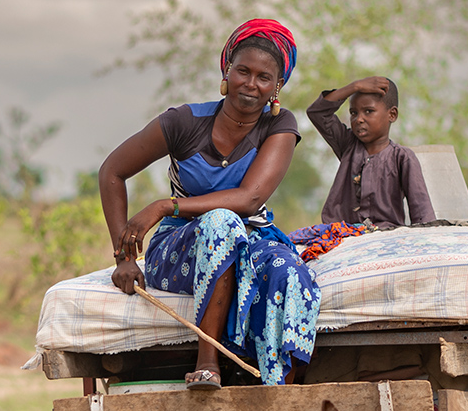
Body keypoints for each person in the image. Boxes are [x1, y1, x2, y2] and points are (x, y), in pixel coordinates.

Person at [99, 19, 320, 390]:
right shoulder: (185, 122)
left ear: (277, 86)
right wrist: (124, 258)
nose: (251, 84)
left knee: (289, 270)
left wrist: (163, 205)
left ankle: (278, 389)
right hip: (180, 249)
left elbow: (250, 199)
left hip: (251, 237)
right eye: (243, 71)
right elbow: (112, 172)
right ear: (226, 72)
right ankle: (207, 363)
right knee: (221, 222)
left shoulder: (279, 125)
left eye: (264, 77)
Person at [291, 76, 436, 261]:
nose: (359, 119)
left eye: (368, 111)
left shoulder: (402, 158)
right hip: (341, 237)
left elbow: (422, 214)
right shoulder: (347, 145)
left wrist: (426, 249)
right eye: (353, 113)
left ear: (392, 115)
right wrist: (354, 86)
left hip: (386, 239)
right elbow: (317, 113)